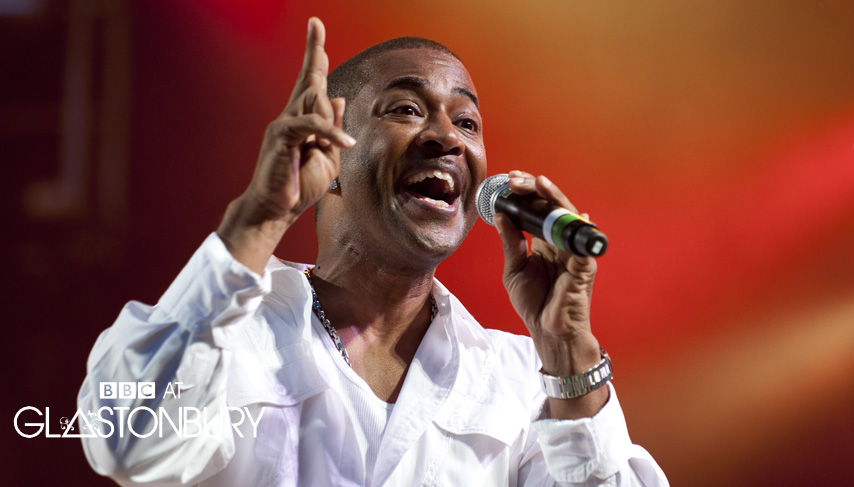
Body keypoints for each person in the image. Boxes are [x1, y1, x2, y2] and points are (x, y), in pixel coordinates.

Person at [78, 17, 668, 487]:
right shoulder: (231, 336)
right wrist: (259, 217)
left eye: (467, 121)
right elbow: (126, 441)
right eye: (406, 109)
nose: (447, 137)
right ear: (329, 153)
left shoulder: (521, 379)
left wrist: (567, 351)